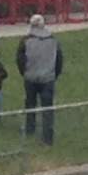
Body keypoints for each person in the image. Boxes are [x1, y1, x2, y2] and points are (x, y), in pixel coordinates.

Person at [16, 15, 63, 146]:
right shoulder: (53, 41)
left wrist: (25, 73)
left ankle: (29, 129)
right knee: (47, 108)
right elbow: (59, 61)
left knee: (30, 104)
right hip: (48, 79)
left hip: (30, 77)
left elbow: (20, 60)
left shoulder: (25, 41)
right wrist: (54, 75)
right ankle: (48, 137)